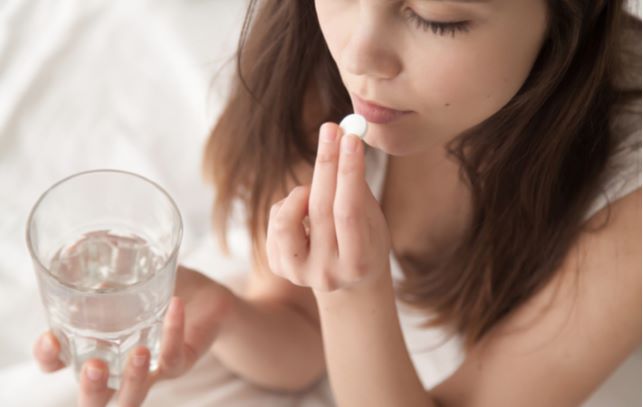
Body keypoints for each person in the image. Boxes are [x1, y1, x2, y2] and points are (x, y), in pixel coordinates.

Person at [33, 0, 642, 406]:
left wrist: (355, 295)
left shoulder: (628, 205)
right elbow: (302, 336)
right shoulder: (319, 64)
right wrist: (222, 311)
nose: (359, 54)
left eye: (436, 18)